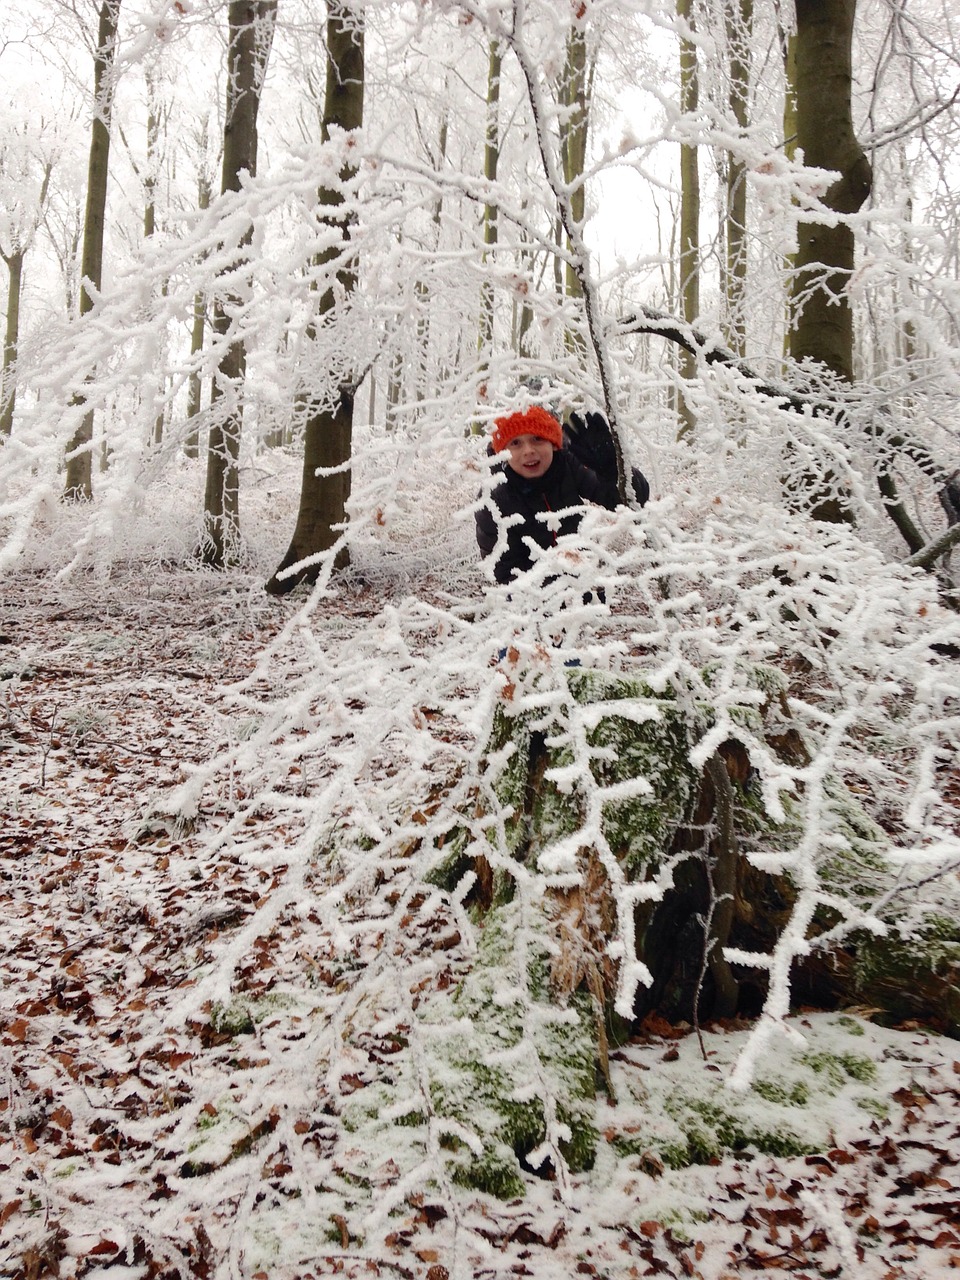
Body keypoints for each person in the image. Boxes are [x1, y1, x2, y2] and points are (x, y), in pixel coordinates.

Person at [475, 404, 649, 586]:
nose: (528, 451)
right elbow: (503, 572)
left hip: (585, 587)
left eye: (537, 439)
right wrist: (562, 591)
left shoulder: (569, 466)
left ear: (553, 443)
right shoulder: (492, 500)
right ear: (502, 453)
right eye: (515, 443)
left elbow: (632, 503)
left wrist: (613, 471)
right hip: (530, 603)